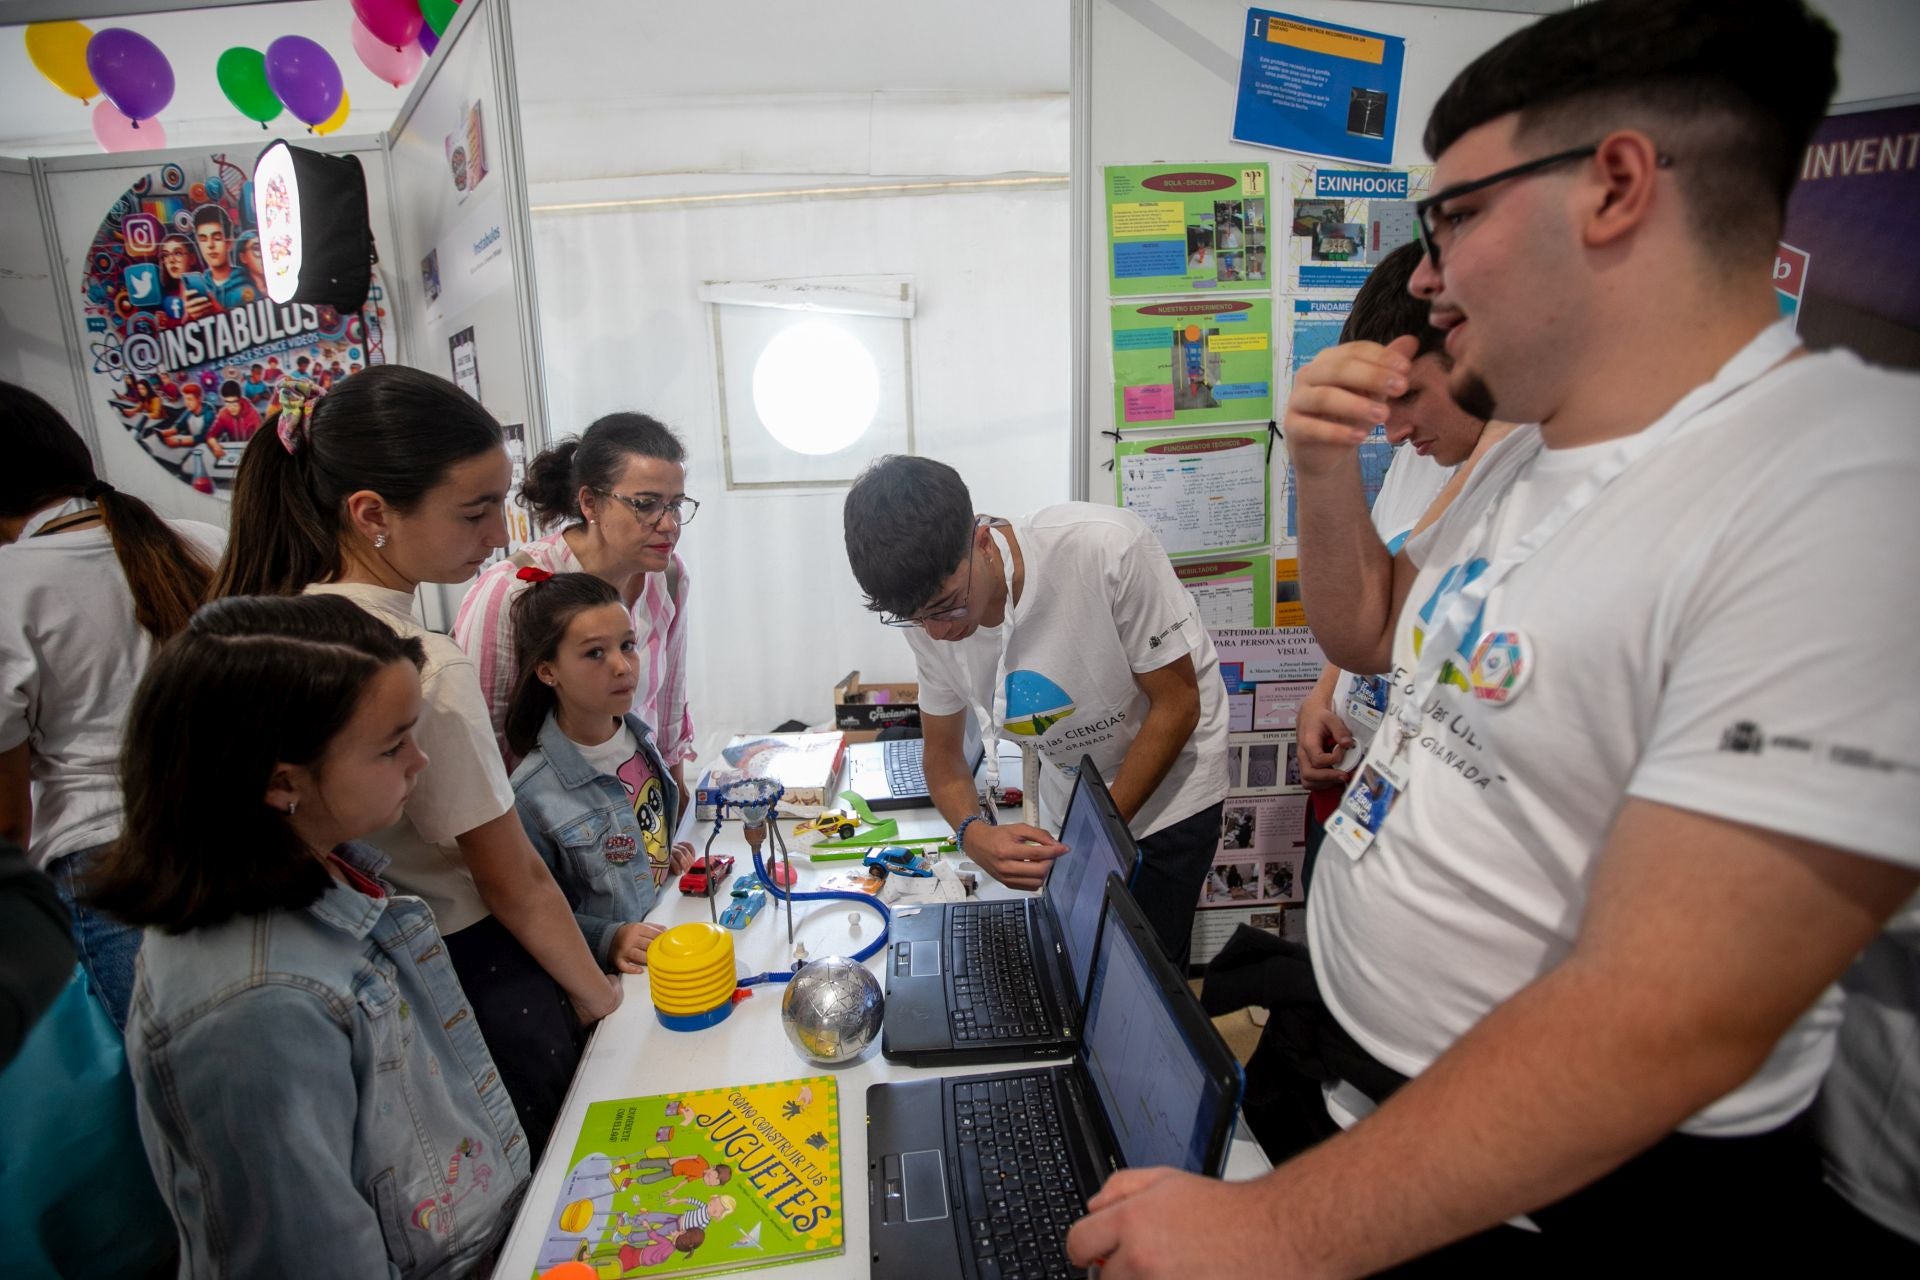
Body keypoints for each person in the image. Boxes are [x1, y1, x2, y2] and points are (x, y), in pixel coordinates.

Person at [1067, 2, 1920, 1274]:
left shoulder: (1846, 487)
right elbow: (1368, 637)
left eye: (1452, 217)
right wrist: (1318, 462)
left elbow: (1671, 1017)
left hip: (1552, 1190)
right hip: (1371, 1089)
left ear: (1616, 188)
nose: (1424, 273)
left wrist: (1271, 1231)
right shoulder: (1533, 450)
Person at [210, 363, 619, 1156]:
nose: (498, 536)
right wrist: (602, 1003)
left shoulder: (271, 629)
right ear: (371, 513)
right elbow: (515, 880)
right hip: (473, 963)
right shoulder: (417, 664)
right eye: (473, 513)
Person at [88, 594, 529, 1276]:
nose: (420, 762)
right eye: (391, 746)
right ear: (281, 783)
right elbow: (308, 1253)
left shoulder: (329, 872)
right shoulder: (257, 1002)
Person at [843, 457, 1230, 964]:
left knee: (1144, 970)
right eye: (913, 620)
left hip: (1171, 787)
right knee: (1074, 955)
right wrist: (973, 835)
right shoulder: (929, 618)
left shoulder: (1104, 548)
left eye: (947, 607)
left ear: (981, 540)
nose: (937, 632)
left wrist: (1095, 838)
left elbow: (1179, 705)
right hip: (1076, 791)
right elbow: (941, 757)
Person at [0, 381, 222, 1028]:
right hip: (247, 833)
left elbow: (9, 823)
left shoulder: (11, 585)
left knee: (166, 1100)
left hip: (116, 870)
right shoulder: (200, 541)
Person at [1290, 242, 1510, 883]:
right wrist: (1322, 692)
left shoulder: (1531, 466)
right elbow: (1377, 609)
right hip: (1366, 770)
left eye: (1409, 397)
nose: (1393, 434)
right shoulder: (1429, 454)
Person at [453, 412, 697, 788]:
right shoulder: (513, 590)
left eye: (675, 504)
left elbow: (667, 705)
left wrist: (675, 797)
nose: (668, 524)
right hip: (550, 821)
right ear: (590, 504)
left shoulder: (668, 576)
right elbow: (483, 744)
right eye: (646, 504)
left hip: (639, 800)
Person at [506, 570, 694, 974]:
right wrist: (608, 939)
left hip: (674, 926)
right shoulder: (531, 794)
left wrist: (657, 852)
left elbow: (634, 827)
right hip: (622, 977)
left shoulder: (639, 737)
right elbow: (531, 914)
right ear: (547, 671)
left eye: (627, 645)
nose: (622, 666)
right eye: (595, 653)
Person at [190, 204, 249, 311]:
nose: (210, 245)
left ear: (229, 242)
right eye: (203, 239)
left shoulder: (248, 282)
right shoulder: (199, 287)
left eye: (217, 238)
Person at [156, 233, 213, 322]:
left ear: (192, 259)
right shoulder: (168, 298)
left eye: (178, 253)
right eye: (165, 255)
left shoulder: (208, 289)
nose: (171, 260)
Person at [210, 378, 262, 443]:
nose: (231, 408)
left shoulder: (253, 414)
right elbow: (212, 434)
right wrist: (212, 441)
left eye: (234, 403)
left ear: (240, 400)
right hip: (231, 451)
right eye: (228, 404)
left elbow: (261, 437)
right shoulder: (223, 414)